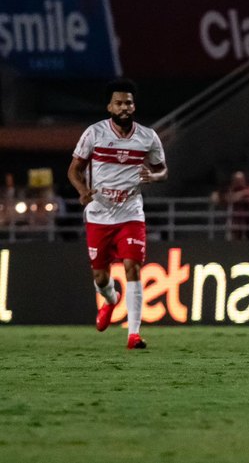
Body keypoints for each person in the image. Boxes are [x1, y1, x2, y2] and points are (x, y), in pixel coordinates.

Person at [67, 78, 168, 350]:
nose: (125, 107)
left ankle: (133, 335)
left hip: (131, 213)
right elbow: (73, 170)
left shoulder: (148, 137)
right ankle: (111, 301)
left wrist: (154, 176)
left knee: (133, 267)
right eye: (119, 103)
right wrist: (81, 191)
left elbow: (163, 170)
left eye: (129, 103)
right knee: (100, 277)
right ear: (109, 106)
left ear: (134, 107)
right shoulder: (94, 133)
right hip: (99, 214)